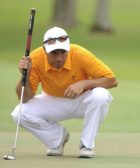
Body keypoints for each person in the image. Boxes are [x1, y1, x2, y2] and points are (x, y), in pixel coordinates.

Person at [12, 26, 118, 158]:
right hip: (52, 101)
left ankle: (87, 145)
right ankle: (57, 140)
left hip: (82, 100)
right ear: (44, 50)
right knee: (19, 113)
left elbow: (112, 80)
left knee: (101, 95)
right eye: (54, 53)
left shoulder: (80, 54)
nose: (59, 58)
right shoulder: (35, 58)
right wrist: (25, 76)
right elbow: (25, 98)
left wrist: (83, 84)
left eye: (63, 52)